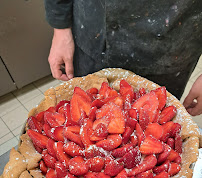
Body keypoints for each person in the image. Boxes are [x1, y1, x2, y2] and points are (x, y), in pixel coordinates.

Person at [44, 0, 202, 116]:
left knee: (156, 124)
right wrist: (61, 28)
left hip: (170, 48)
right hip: (93, 32)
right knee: (86, 119)